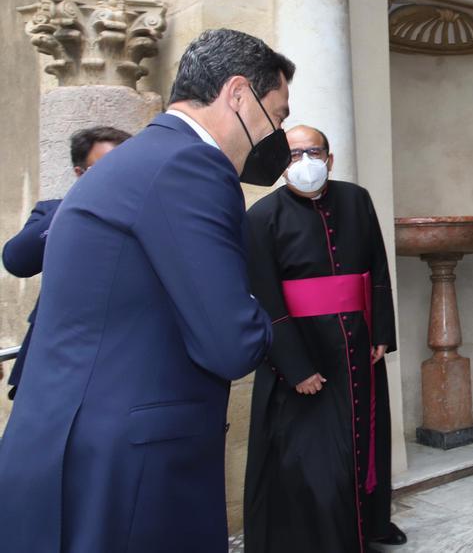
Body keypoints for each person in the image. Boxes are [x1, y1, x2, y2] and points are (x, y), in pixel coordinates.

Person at [0, 28, 291, 552]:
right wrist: (262, 313)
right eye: (279, 114)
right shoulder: (191, 164)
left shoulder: (136, 160)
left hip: (70, 445)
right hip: (129, 469)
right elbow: (232, 343)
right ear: (239, 94)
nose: (279, 134)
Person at [243, 125, 406, 552]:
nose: (304, 162)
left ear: (330, 159)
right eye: (293, 155)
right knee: (314, 458)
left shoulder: (356, 199)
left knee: (365, 444)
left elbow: (378, 269)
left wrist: (382, 333)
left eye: (313, 152)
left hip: (358, 343)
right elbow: (264, 298)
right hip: (303, 353)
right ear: (281, 166)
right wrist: (295, 367)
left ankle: (370, 526)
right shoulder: (260, 217)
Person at [3, 125, 131, 399]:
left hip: (115, 370)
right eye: (105, 169)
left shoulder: (142, 217)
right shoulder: (52, 211)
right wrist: (78, 202)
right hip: (50, 369)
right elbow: (17, 260)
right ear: (80, 173)